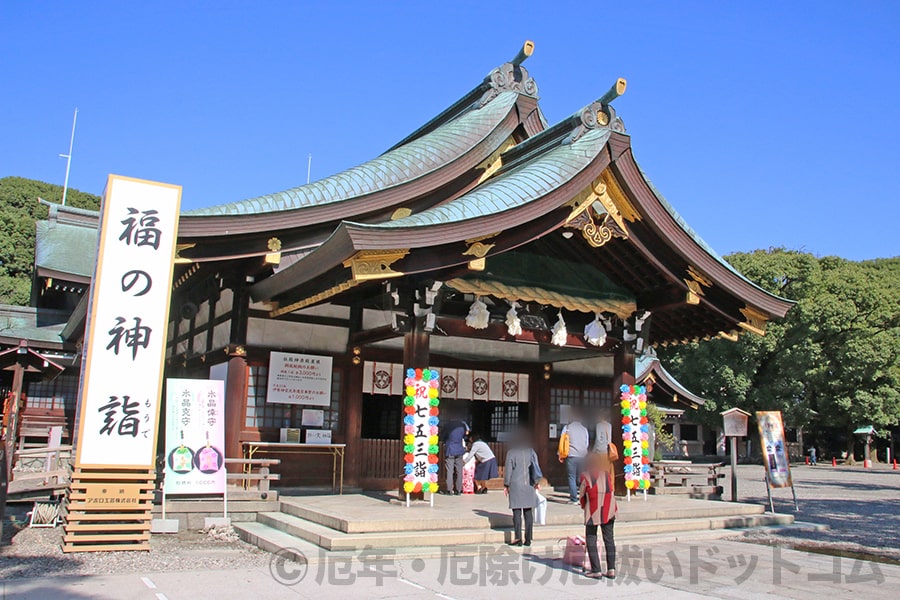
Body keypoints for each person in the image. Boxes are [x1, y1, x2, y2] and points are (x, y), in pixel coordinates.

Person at [578, 452, 617, 579]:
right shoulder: (606, 475)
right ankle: (611, 569)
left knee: (591, 538)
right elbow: (611, 489)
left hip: (593, 510)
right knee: (609, 539)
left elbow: (582, 495)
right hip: (609, 509)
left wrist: (584, 506)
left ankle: (596, 570)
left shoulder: (585, 476)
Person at [504, 428, 543, 547]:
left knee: (516, 513)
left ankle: (518, 538)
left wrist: (507, 484)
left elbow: (508, 470)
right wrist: (536, 482)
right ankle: (528, 538)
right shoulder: (531, 452)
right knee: (528, 512)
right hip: (529, 485)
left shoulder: (511, 453)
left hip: (516, 484)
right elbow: (536, 468)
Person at [559, 408, 590, 504]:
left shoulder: (567, 428)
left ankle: (574, 498)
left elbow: (562, 442)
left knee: (571, 477)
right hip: (582, 455)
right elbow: (587, 443)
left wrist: (560, 454)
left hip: (571, 455)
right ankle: (582, 497)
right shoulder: (584, 429)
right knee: (581, 477)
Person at [441, 411, 469, 495]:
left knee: (450, 470)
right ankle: (459, 489)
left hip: (450, 448)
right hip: (460, 449)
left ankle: (449, 489)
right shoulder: (462, 425)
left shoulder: (448, 425)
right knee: (459, 470)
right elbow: (465, 436)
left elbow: (442, 436)